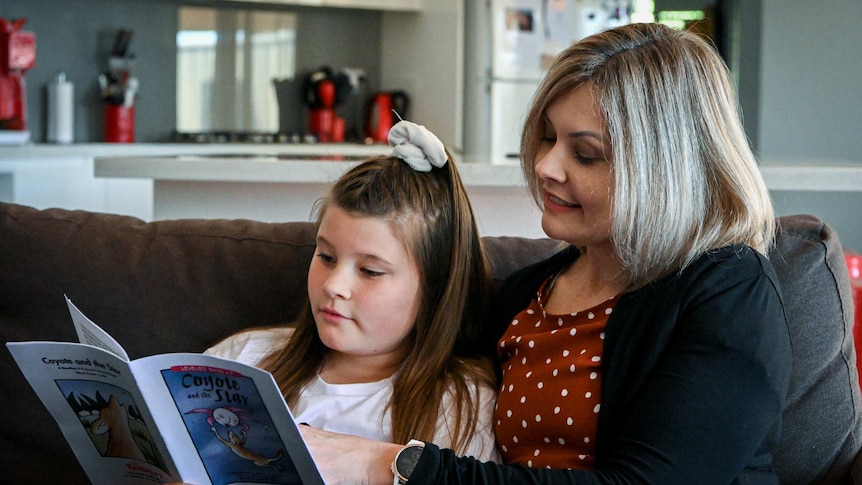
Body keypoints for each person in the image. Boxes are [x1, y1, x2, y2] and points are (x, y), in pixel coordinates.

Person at [298, 22, 793, 484]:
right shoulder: (525, 294)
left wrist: (384, 463)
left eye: (585, 153)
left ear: (666, 170)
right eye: (548, 137)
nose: (544, 165)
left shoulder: (730, 291)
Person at [205, 120, 500, 462]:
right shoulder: (243, 357)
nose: (333, 285)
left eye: (370, 271)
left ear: (435, 287)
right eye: (326, 257)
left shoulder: (459, 407)